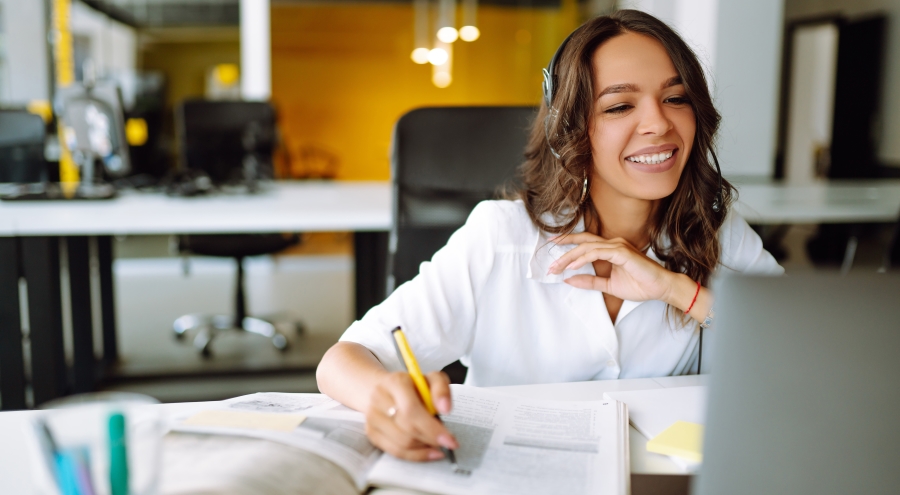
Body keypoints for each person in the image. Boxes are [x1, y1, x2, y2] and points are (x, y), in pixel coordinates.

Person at [316, 9, 783, 463]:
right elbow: (343, 360)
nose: (659, 123)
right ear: (570, 129)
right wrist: (387, 399)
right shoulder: (501, 236)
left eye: (676, 98)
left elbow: (798, 352)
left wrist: (677, 289)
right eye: (620, 105)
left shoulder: (716, 232)